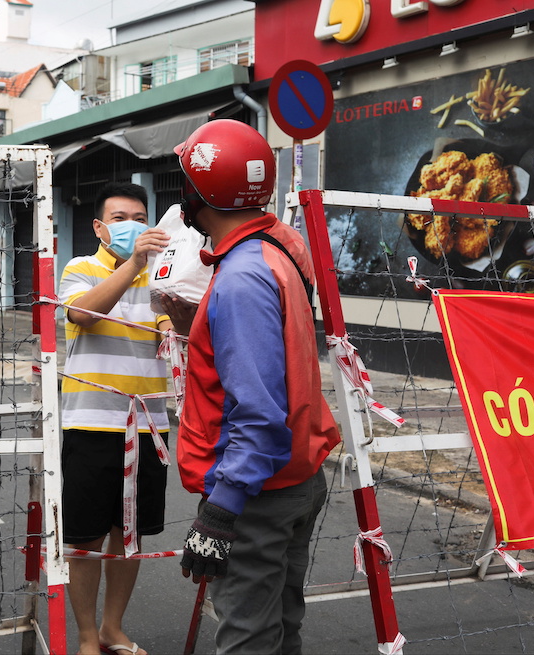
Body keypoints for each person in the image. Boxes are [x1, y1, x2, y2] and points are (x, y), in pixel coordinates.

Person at [173, 119, 341, 654]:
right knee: (280, 626)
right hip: (297, 475)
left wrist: (221, 511)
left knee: (248, 637)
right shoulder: (280, 245)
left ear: (200, 195)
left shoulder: (242, 279)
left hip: (256, 493)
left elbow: (258, 414)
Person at [58, 182, 172, 655]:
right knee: (84, 537)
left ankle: (112, 628)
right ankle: (86, 636)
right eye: (121, 218)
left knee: (130, 536)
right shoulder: (79, 268)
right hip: (89, 423)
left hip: (149, 426)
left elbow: (181, 333)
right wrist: (133, 265)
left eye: (140, 217)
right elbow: (83, 313)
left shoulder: (164, 277)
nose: (132, 226)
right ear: (100, 227)